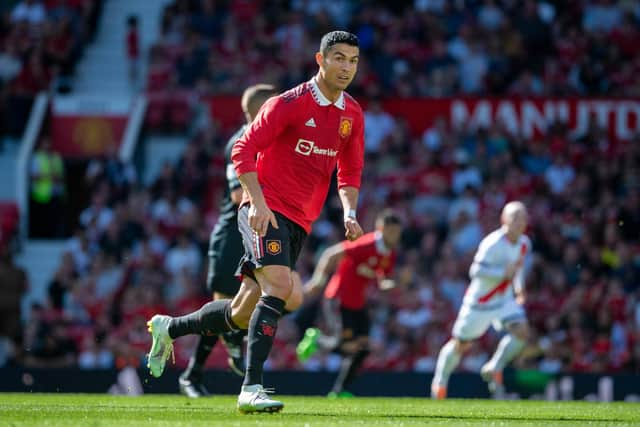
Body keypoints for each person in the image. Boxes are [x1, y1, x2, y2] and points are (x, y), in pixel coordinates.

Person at [145, 30, 364, 413]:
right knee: (280, 286)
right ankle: (251, 388)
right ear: (321, 60)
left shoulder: (352, 114)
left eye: (353, 60)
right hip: (265, 209)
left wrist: (349, 211)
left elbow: (350, 171)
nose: (346, 67)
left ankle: (171, 327)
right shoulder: (287, 104)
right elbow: (242, 150)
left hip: (300, 221)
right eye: (339, 58)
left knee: (239, 312)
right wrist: (258, 203)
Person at [178, 83, 278, 398]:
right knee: (226, 309)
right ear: (261, 109)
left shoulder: (270, 140)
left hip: (256, 232)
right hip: (233, 237)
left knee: (264, 300)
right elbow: (238, 195)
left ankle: (198, 370)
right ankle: (195, 371)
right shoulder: (242, 140)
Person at [431, 201, 531, 399]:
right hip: (481, 302)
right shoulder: (492, 243)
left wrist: (519, 289)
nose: (519, 222)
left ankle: (495, 367)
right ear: (504, 220)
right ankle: (440, 382)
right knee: (461, 345)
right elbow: (475, 270)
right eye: (515, 217)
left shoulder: (524, 243)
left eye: (523, 217)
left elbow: (517, 268)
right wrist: (502, 272)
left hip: (504, 299)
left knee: (522, 332)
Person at [297, 209, 402, 397]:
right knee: (346, 344)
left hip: (358, 303)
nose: (394, 236)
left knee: (363, 347)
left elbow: (382, 278)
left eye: (397, 232)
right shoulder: (366, 243)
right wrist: (317, 280)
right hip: (338, 298)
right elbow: (330, 254)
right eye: (391, 231)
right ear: (381, 229)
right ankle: (317, 339)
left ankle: (339, 390)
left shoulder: (390, 253)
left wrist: (389, 284)